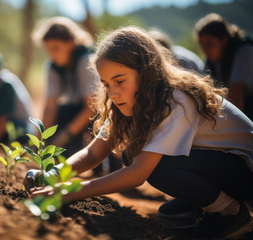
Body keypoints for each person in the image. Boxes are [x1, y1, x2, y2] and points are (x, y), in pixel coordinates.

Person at [26, 26, 253, 239]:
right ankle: (211, 206)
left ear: (146, 74)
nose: (113, 93)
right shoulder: (127, 101)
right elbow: (94, 153)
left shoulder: (176, 100)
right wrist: (54, 174)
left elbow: (138, 174)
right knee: (160, 195)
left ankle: (232, 214)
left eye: (120, 81)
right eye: (106, 84)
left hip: (245, 171)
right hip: (221, 166)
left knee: (159, 167)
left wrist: (68, 192)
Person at [32, 16, 96, 158]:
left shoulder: (86, 60)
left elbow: (91, 107)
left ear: (71, 43)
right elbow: (50, 106)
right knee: (62, 112)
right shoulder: (52, 67)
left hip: (98, 112)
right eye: (48, 49)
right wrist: (40, 141)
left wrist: (65, 135)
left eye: (56, 48)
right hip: (76, 111)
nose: (52, 55)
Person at [195, 13, 253, 120]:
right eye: (202, 45)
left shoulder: (244, 51)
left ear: (224, 40)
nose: (205, 50)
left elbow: (237, 98)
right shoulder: (211, 61)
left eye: (210, 44)